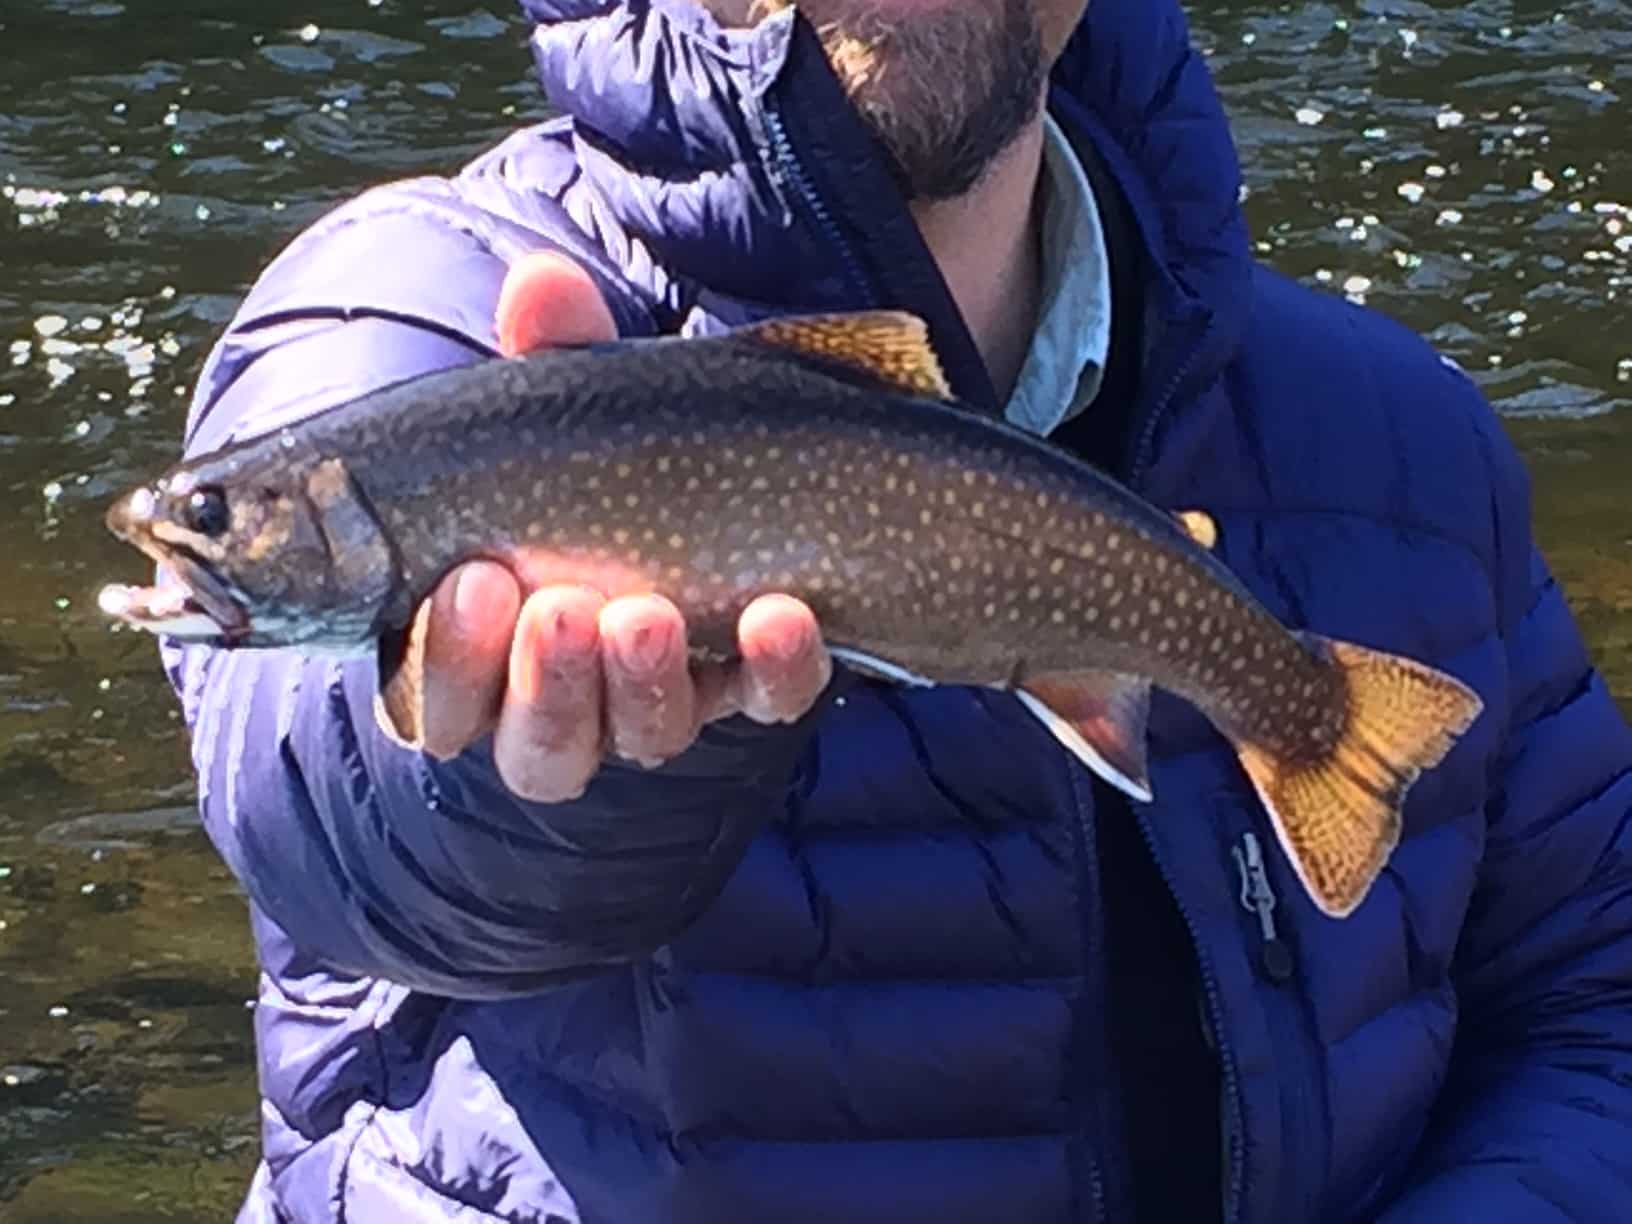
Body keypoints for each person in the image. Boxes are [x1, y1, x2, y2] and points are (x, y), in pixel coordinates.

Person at [165, 0, 1632, 1220]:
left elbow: (1595, 996)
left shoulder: (1405, 437)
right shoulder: (403, 334)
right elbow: (327, 817)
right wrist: (531, 780)